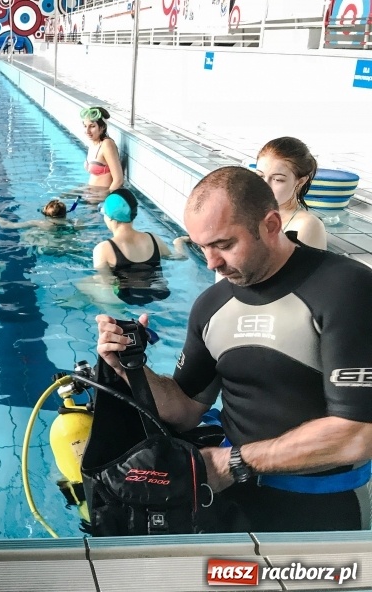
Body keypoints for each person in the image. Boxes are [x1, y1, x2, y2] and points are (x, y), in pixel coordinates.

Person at [96, 166, 372, 532]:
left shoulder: (346, 289)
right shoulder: (212, 305)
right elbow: (185, 409)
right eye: (202, 247)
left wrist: (234, 462)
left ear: (270, 225)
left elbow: (357, 435)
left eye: (224, 245)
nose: (211, 262)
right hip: (230, 496)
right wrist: (130, 367)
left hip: (327, 507)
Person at [92, 188, 188, 306]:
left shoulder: (102, 249)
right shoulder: (153, 238)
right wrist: (179, 242)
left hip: (128, 299)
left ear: (110, 217)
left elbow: (106, 283)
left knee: (87, 283)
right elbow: (180, 257)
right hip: (160, 294)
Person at [254, 136, 327, 250]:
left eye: (278, 179)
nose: (264, 185)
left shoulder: (307, 226)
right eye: (260, 176)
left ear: (301, 182)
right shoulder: (248, 212)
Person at [80, 106, 123, 197]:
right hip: (90, 195)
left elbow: (118, 180)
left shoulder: (107, 144)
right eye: (85, 126)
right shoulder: (93, 143)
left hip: (101, 199)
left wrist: (105, 201)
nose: (87, 131)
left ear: (102, 127)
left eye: (92, 126)